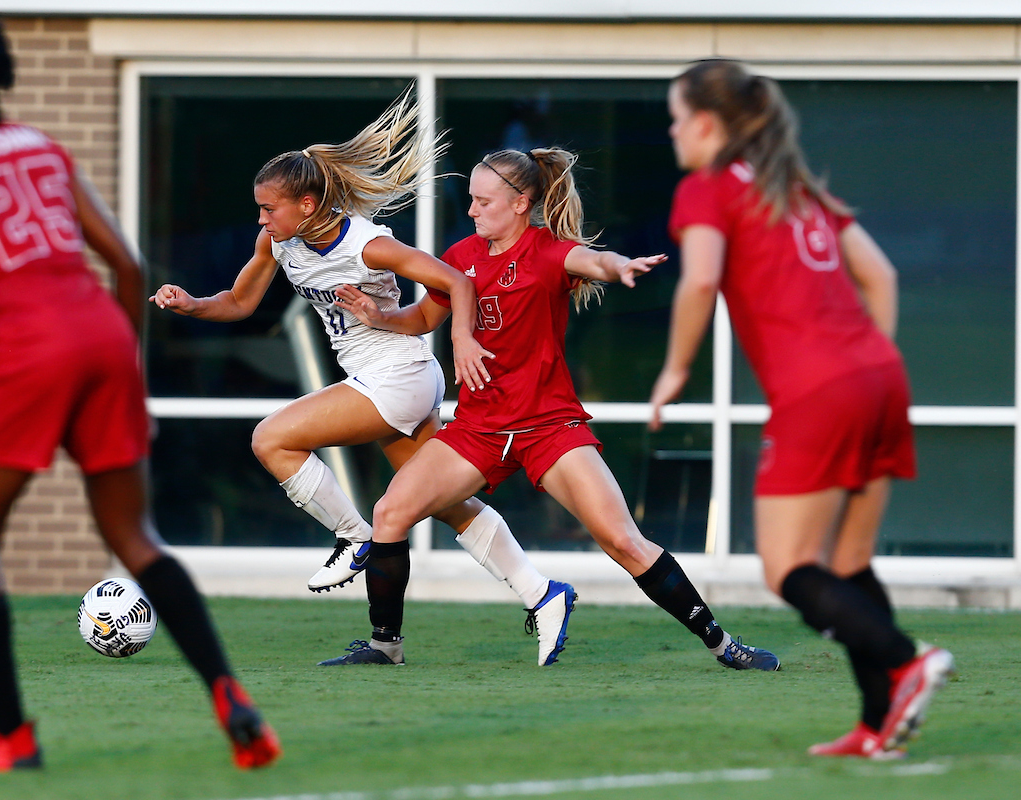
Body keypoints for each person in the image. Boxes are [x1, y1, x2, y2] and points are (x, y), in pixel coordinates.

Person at [0, 10, 278, 773]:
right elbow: (131, 266)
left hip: (28, 352)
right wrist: (130, 383)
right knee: (134, 539)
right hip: (104, 339)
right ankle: (230, 696)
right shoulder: (42, 146)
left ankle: (9, 735)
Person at [149, 91, 578, 667]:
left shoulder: (369, 246)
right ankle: (541, 593)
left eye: (269, 209)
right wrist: (190, 304)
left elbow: (459, 282)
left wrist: (461, 339)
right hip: (386, 378)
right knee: (446, 505)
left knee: (270, 437)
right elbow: (239, 301)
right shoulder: (279, 240)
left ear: (306, 204)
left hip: (397, 375)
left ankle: (354, 538)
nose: (261, 219)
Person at [324, 145, 781, 673]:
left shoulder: (548, 252)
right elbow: (422, 318)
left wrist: (619, 266)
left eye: (482, 201)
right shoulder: (459, 258)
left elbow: (592, 260)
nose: (471, 211)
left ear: (521, 203)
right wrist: (377, 315)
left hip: (549, 426)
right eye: (471, 201)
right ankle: (385, 645)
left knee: (621, 540)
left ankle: (724, 645)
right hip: (479, 427)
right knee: (390, 512)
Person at [650, 58, 953, 758]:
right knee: (846, 565)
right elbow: (882, 274)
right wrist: (863, 361)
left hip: (820, 390)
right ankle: (881, 726)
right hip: (881, 373)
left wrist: (674, 371)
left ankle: (907, 661)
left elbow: (698, 283)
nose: (671, 132)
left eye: (674, 118)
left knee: (787, 567)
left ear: (705, 124)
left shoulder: (707, 189)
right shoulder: (797, 187)